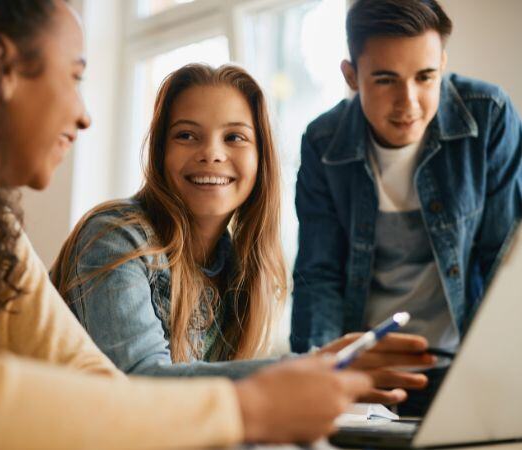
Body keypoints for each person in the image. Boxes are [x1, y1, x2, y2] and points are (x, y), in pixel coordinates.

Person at [0, 1, 376, 448]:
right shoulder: (116, 235)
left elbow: (95, 381)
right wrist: (247, 406)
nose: (85, 114)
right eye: (75, 77)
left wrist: (304, 376)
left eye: (235, 136)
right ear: (3, 67)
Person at [51, 62, 434, 404]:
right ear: (160, 152)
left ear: (260, 158)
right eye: (186, 135)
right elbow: (139, 382)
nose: (212, 153)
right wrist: (309, 368)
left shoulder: (240, 269)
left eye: (234, 137)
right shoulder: (116, 237)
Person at [290, 0, 522, 415]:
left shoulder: (490, 116)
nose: (408, 102)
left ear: (443, 63)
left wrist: (499, 370)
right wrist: (320, 373)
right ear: (351, 76)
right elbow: (318, 275)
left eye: (425, 77)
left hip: (465, 367)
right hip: (368, 373)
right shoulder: (323, 142)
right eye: (385, 80)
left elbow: (501, 262)